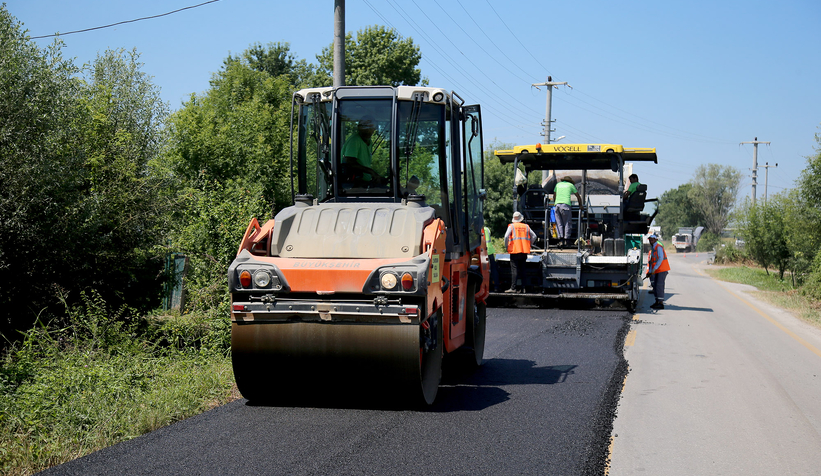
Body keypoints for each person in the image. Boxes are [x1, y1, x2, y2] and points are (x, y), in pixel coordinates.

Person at [341, 116, 382, 184]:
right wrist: (371, 172)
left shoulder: (369, 141)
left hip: (365, 182)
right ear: (359, 128)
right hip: (354, 184)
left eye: (371, 127)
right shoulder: (355, 140)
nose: (369, 130)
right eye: (366, 127)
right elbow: (349, 163)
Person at [504, 211, 536, 293]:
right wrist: (529, 244)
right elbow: (534, 236)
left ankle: (513, 288)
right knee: (523, 269)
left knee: (514, 269)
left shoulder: (511, 226)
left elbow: (506, 236)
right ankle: (523, 288)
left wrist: (507, 246)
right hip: (524, 250)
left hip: (514, 250)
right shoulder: (526, 226)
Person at [553, 176, 582, 248]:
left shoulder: (558, 184)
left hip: (557, 206)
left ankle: (561, 240)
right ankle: (566, 240)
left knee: (559, 223)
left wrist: (556, 203)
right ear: (570, 181)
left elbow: (554, 195)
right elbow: (578, 196)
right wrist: (580, 205)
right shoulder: (571, 185)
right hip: (565, 205)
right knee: (567, 223)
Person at [645, 233, 670, 309]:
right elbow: (652, 261)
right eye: (650, 240)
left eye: (652, 239)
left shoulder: (658, 247)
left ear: (656, 240)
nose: (651, 241)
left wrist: (654, 268)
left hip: (661, 269)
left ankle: (660, 303)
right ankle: (657, 301)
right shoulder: (653, 248)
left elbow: (660, 259)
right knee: (655, 286)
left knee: (659, 286)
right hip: (657, 270)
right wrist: (650, 272)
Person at [484, 226, 500, 292]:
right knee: (493, 269)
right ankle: (496, 286)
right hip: (490, 251)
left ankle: (486, 287)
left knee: (484, 270)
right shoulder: (487, 229)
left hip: (483, 251)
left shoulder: (477, 229)